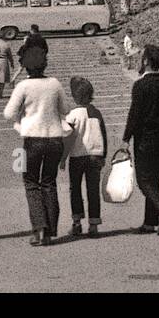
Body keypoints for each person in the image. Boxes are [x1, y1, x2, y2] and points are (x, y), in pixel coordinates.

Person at [3, 50, 72, 246]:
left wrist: (23, 115)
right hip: (55, 139)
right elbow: (65, 110)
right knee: (49, 183)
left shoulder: (23, 85)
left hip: (32, 139)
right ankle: (50, 230)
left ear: (25, 66)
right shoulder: (55, 83)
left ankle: (39, 227)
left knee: (31, 182)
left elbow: (8, 113)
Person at [121, 44, 159, 234]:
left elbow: (134, 114)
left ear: (145, 61)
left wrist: (125, 138)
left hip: (145, 138)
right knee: (153, 180)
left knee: (143, 180)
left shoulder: (140, 86)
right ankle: (149, 222)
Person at [61, 76, 107, 237]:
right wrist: (104, 155)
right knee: (93, 190)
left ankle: (77, 222)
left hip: (77, 156)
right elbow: (104, 135)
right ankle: (94, 224)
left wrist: (62, 158)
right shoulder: (97, 113)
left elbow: (67, 138)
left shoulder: (72, 115)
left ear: (74, 96)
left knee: (75, 189)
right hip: (95, 155)